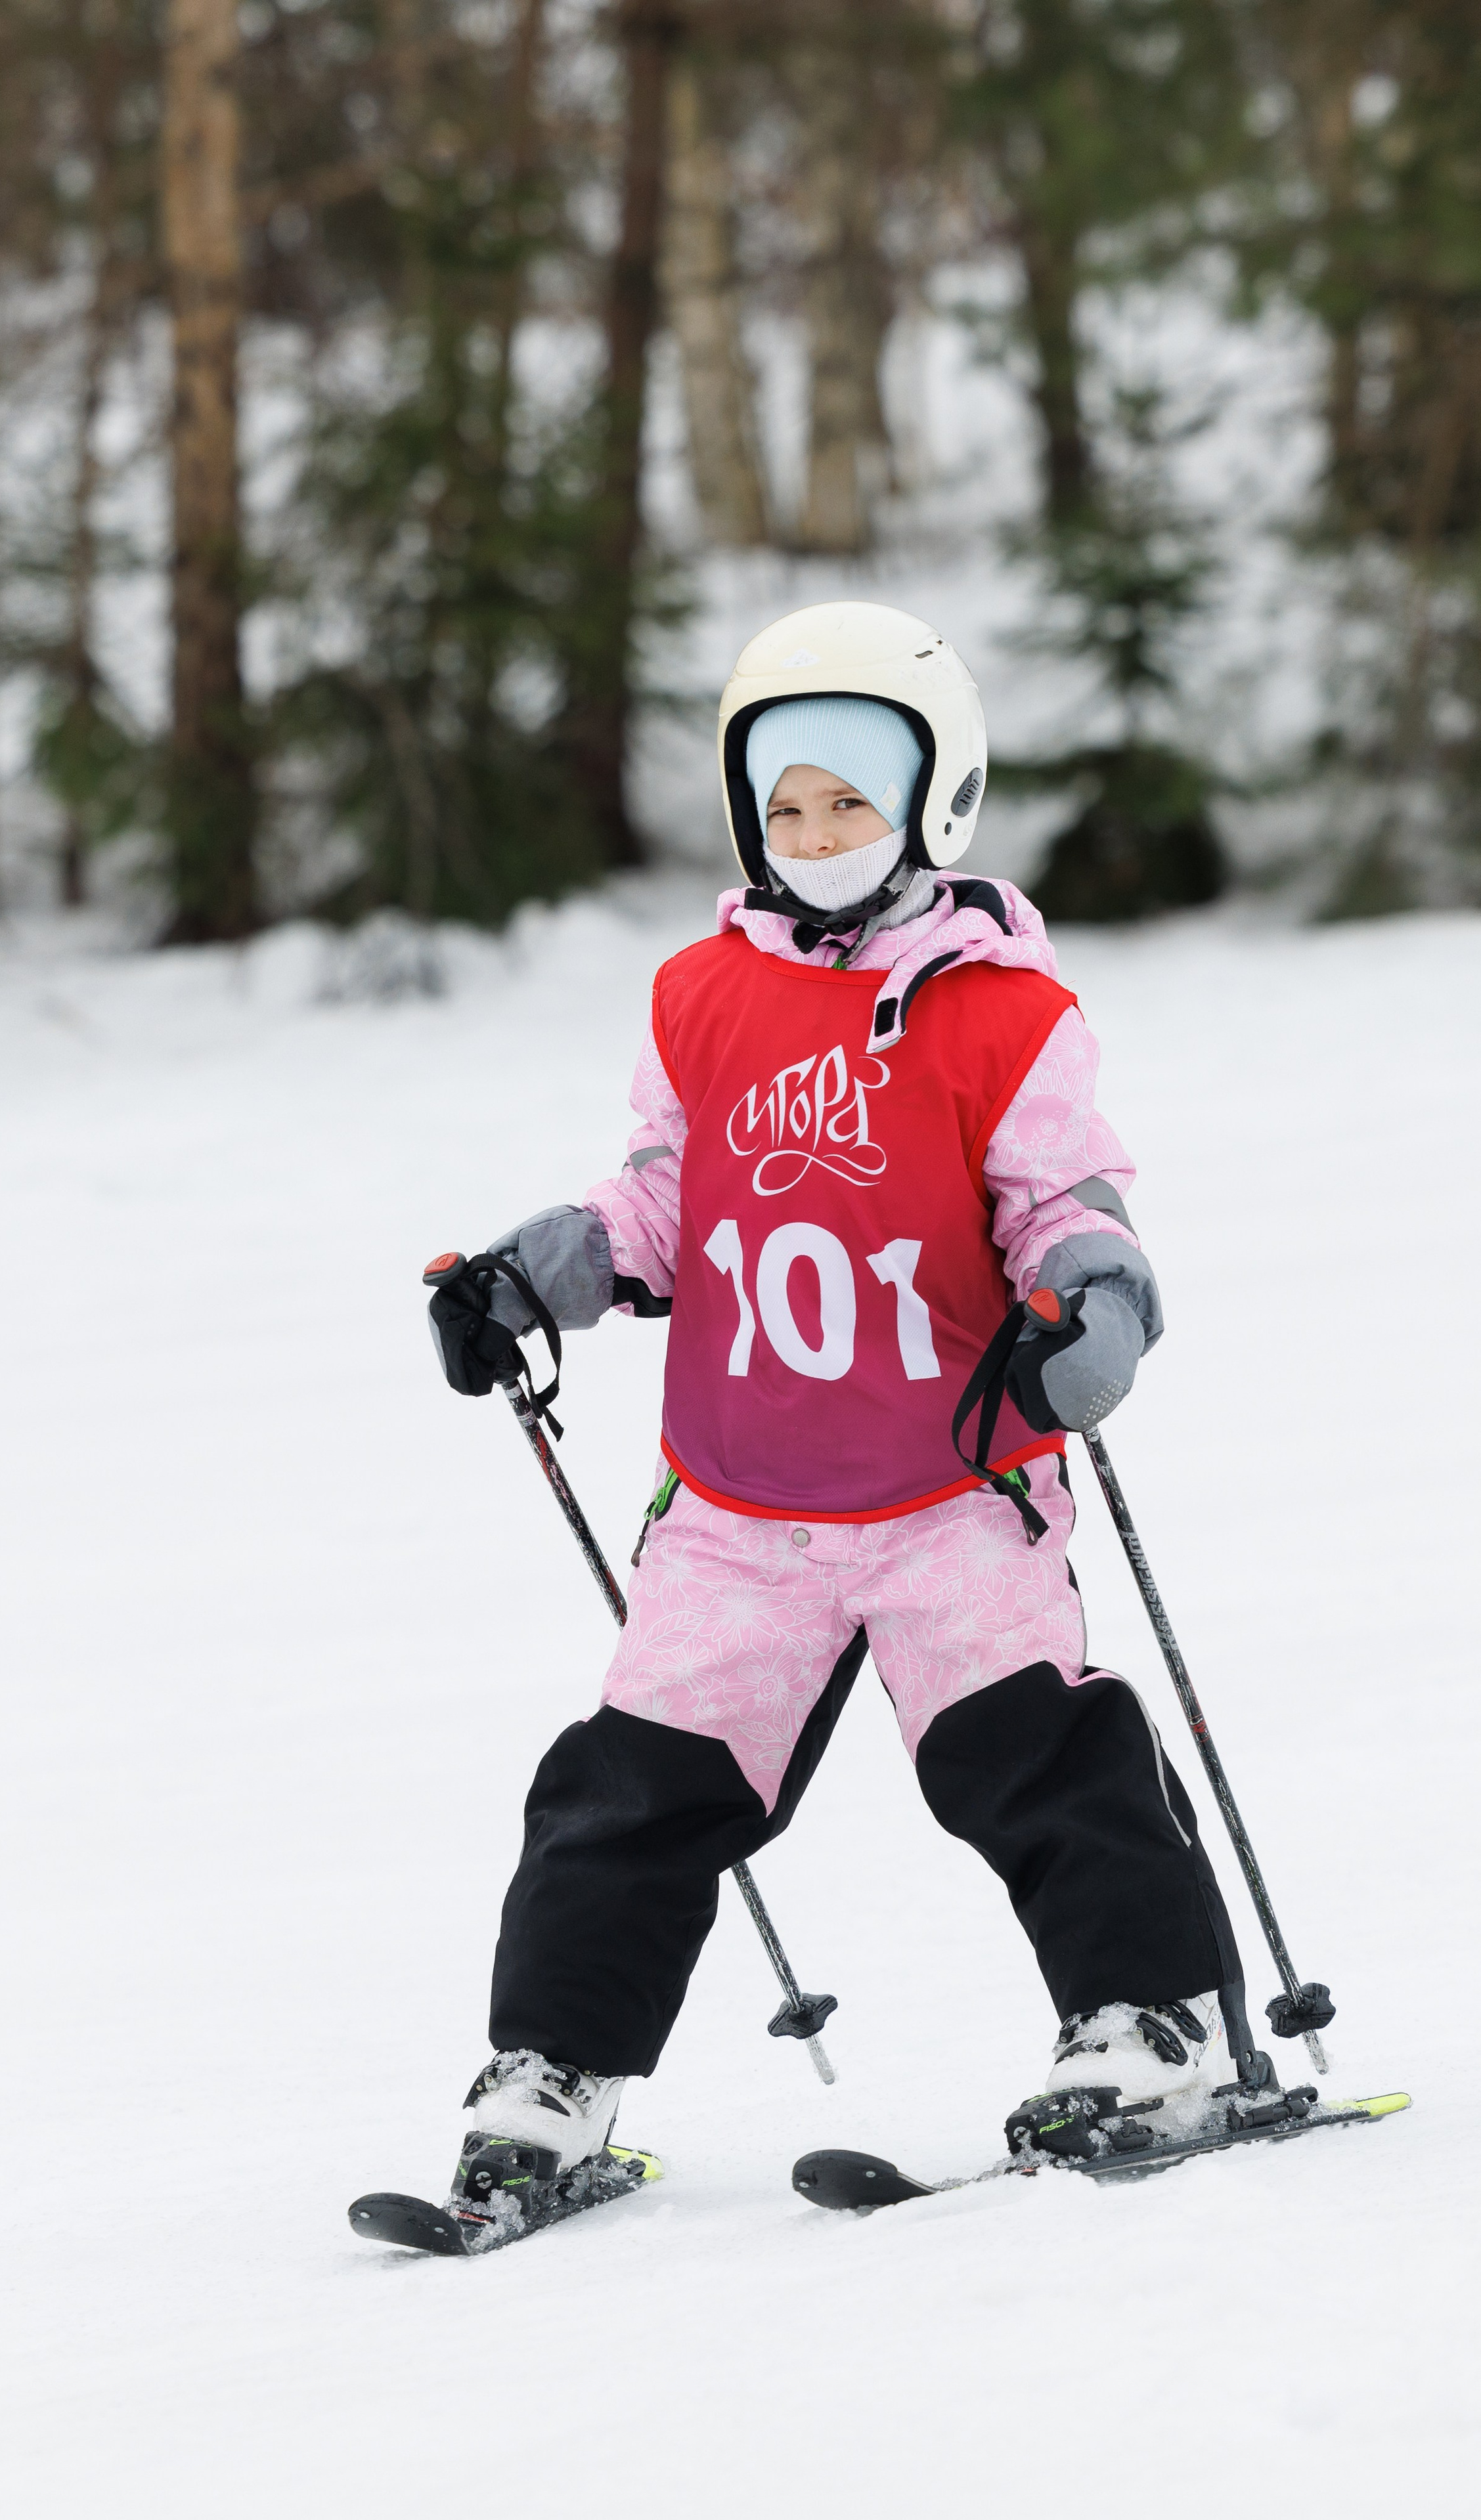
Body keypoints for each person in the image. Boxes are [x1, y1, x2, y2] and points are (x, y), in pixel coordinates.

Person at [428, 599, 1247, 2191]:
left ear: (932, 802)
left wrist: (1094, 1303)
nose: (810, 833)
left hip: (953, 1486)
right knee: (630, 1788)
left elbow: (1064, 1201)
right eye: (782, 805)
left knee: (1039, 1763)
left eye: (848, 801)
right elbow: (665, 1204)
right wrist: (541, 1268)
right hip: (737, 1507)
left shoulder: (1004, 1012)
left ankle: (1158, 2028)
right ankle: (554, 2075)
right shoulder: (699, 996)